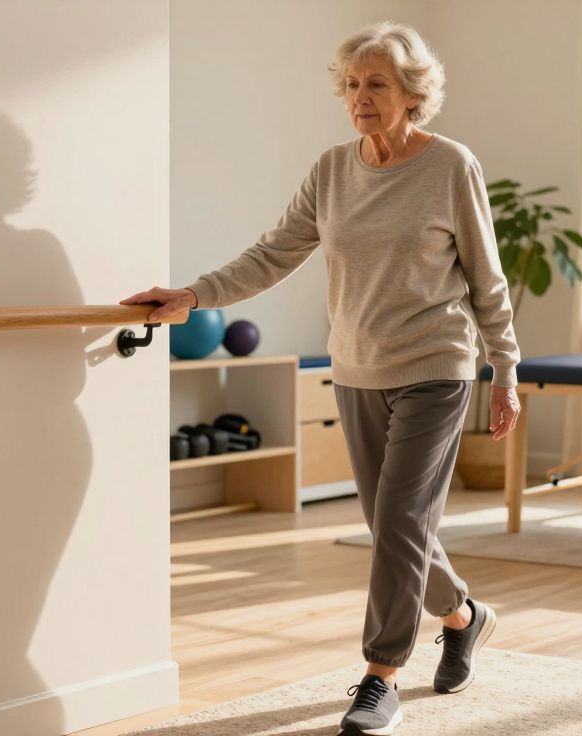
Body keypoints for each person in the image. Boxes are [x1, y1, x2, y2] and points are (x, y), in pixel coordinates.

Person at [121, 20, 520, 735]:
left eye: (377, 85)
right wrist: (194, 295)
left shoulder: (450, 166)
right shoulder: (333, 171)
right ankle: (464, 616)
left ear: (412, 94)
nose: (360, 98)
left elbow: (487, 280)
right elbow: (273, 253)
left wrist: (506, 370)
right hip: (358, 367)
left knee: (399, 520)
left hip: (437, 365)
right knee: (392, 525)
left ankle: (379, 676)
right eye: (352, 85)